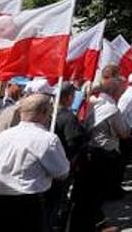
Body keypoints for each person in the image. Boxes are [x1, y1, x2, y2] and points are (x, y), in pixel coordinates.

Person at [0, 94, 71, 231]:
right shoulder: (47, 139)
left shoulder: (3, 136)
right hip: (26, 204)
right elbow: (62, 172)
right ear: (45, 112)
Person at [70, 76, 129, 232]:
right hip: (104, 153)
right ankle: (91, 224)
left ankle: (88, 222)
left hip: (88, 151)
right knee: (96, 193)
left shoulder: (92, 102)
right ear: (116, 92)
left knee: (86, 192)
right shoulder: (111, 108)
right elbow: (123, 132)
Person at [49, 82, 85, 232]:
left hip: (51, 163)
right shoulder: (68, 117)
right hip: (63, 164)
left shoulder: (50, 114)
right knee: (58, 199)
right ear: (68, 97)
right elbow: (73, 142)